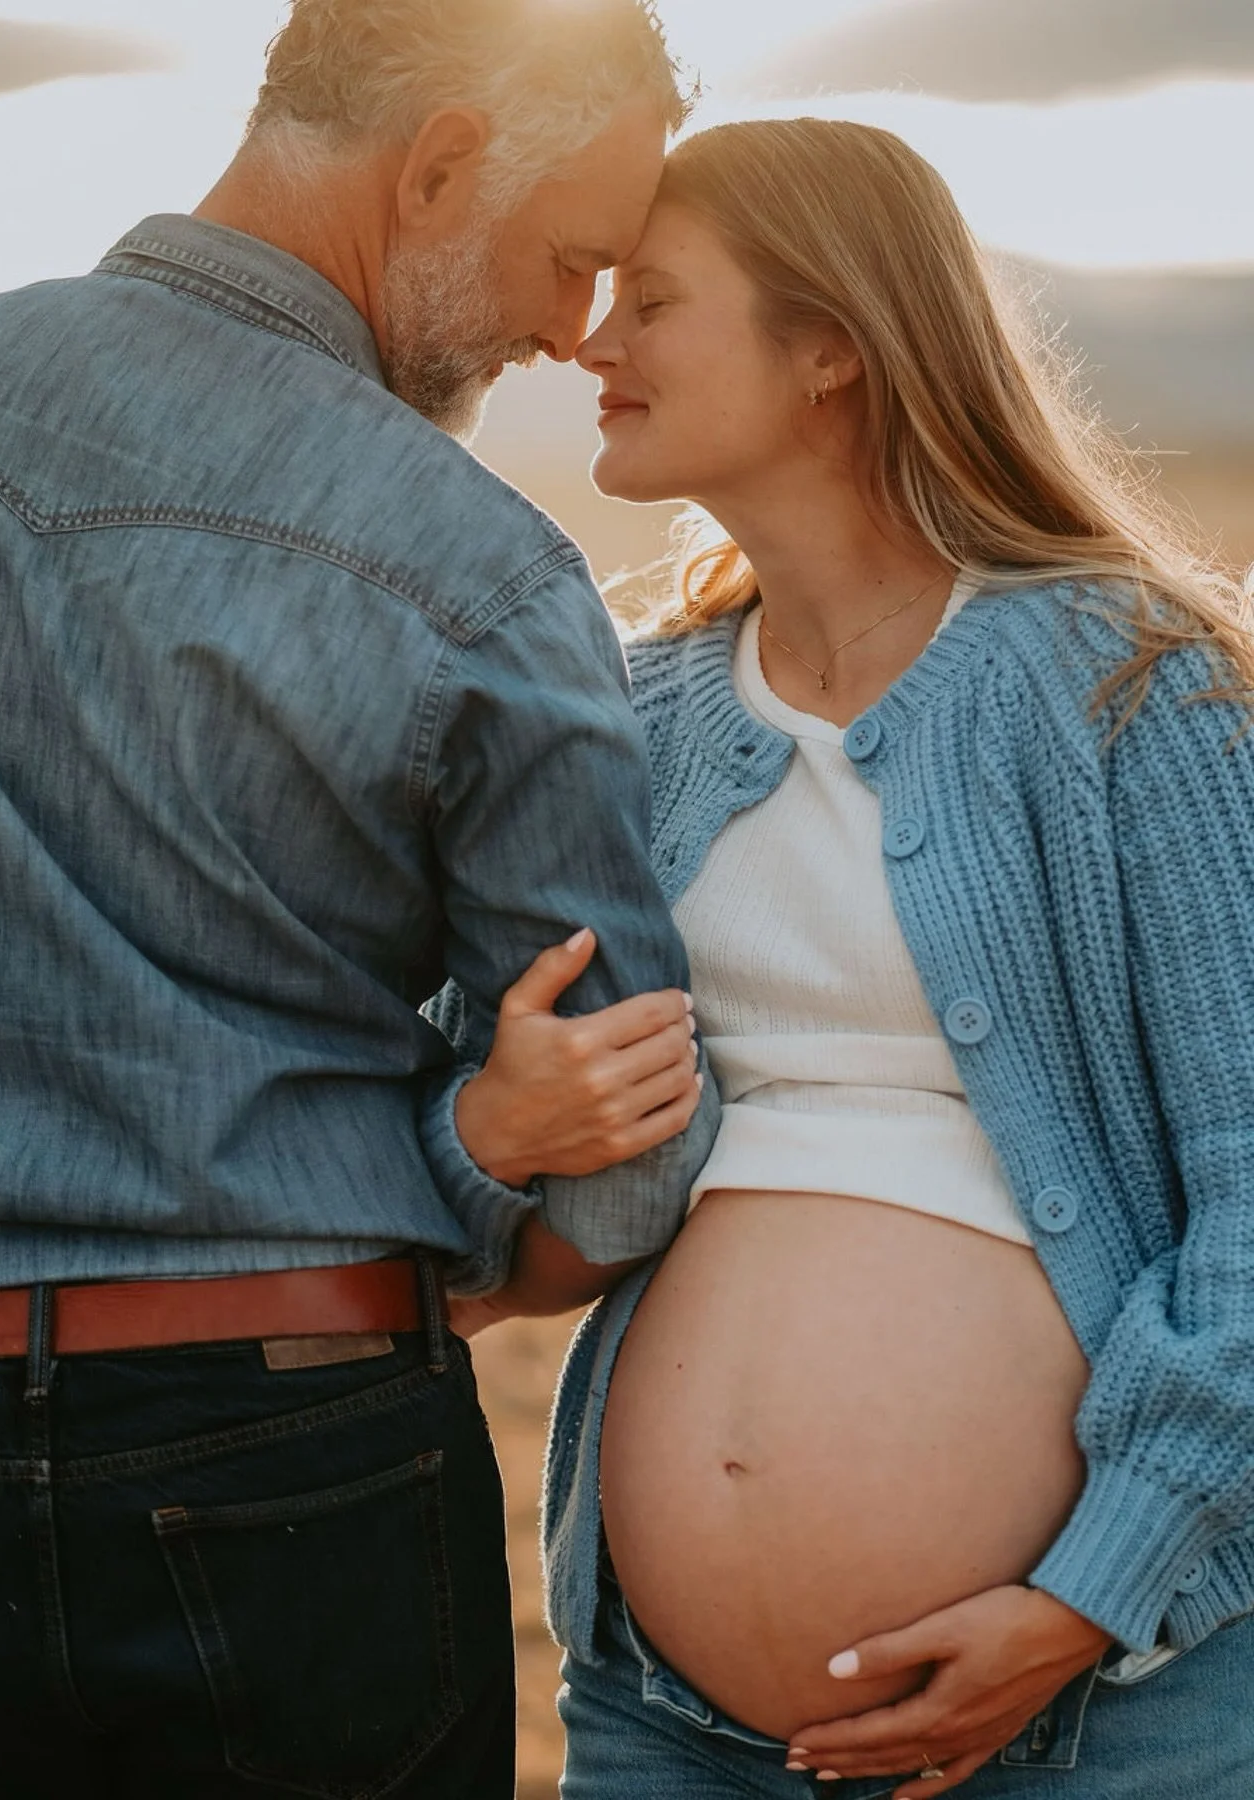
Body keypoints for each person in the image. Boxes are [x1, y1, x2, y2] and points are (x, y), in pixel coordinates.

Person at [0, 2, 718, 1792]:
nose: (567, 331)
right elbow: (624, 1145)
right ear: (441, 158)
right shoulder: (480, 562)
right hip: (299, 1455)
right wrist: (455, 1173)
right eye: (570, 261)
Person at [460, 118, 1254, 1798]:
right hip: (666, 1722)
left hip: (1102, 1708)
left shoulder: (1127, 682)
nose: (594, 343)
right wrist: (497, 1118)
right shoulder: (636, 716)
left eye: (655, 301)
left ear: (830, 347)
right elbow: (472, 1123)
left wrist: (1083, 1598)